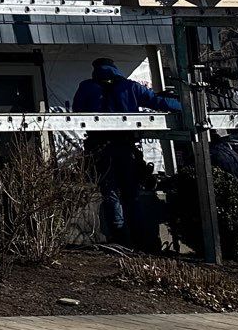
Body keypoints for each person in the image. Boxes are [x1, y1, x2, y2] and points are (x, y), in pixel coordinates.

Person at [72, 57, 182, 246]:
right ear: (115, 68)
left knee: (110, 194)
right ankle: (140, 240)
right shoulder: (130, 87)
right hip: (126, 148)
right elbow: (157, 101)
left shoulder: (87, 87)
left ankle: (120, 239)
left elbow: (76, 111)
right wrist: (185, 107)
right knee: (132, 195)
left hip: (100, 149)